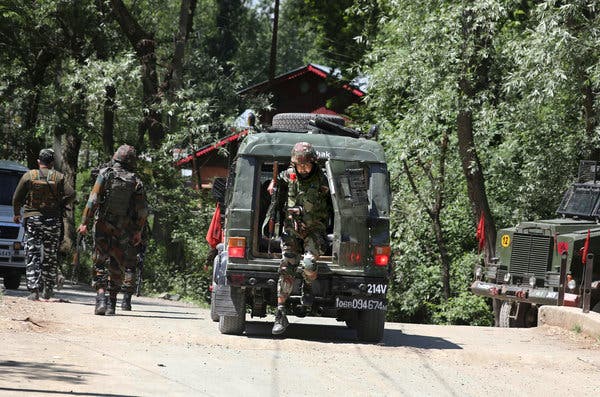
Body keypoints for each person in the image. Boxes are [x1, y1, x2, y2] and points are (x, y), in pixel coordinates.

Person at [267, 142, 331, 335]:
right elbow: (277, 182)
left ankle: (308, 286)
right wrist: (273, 184)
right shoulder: (289, 174)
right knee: (287, 267)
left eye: (306, 165)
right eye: (299, 165)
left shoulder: (323, 179)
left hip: (314, 230)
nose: (303, 169)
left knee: (309, 265)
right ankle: (280, 313)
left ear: (313, 163)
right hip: (292, 229)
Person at [77, 144, 148, 315]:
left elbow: (92, 200)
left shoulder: (105, 174)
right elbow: (142, 211)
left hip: (103, 224)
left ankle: (101, 297)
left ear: (116, 157)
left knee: (99, 259)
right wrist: (138, 230)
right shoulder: (136, 181)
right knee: (118, 263)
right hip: (124, 229)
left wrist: (84, 222)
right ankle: (112, 303)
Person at [12, 148, 74, 300]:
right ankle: (48, 290)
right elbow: (71, 194)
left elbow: (16, 198)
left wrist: (17, 214)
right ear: (52, 163)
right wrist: (61, 204)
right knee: (50, 254)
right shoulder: (59, 177)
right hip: (53, 220)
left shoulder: (29, 176)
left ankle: (34, 291)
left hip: (33, 219)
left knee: (32, 253)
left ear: (38, 161)